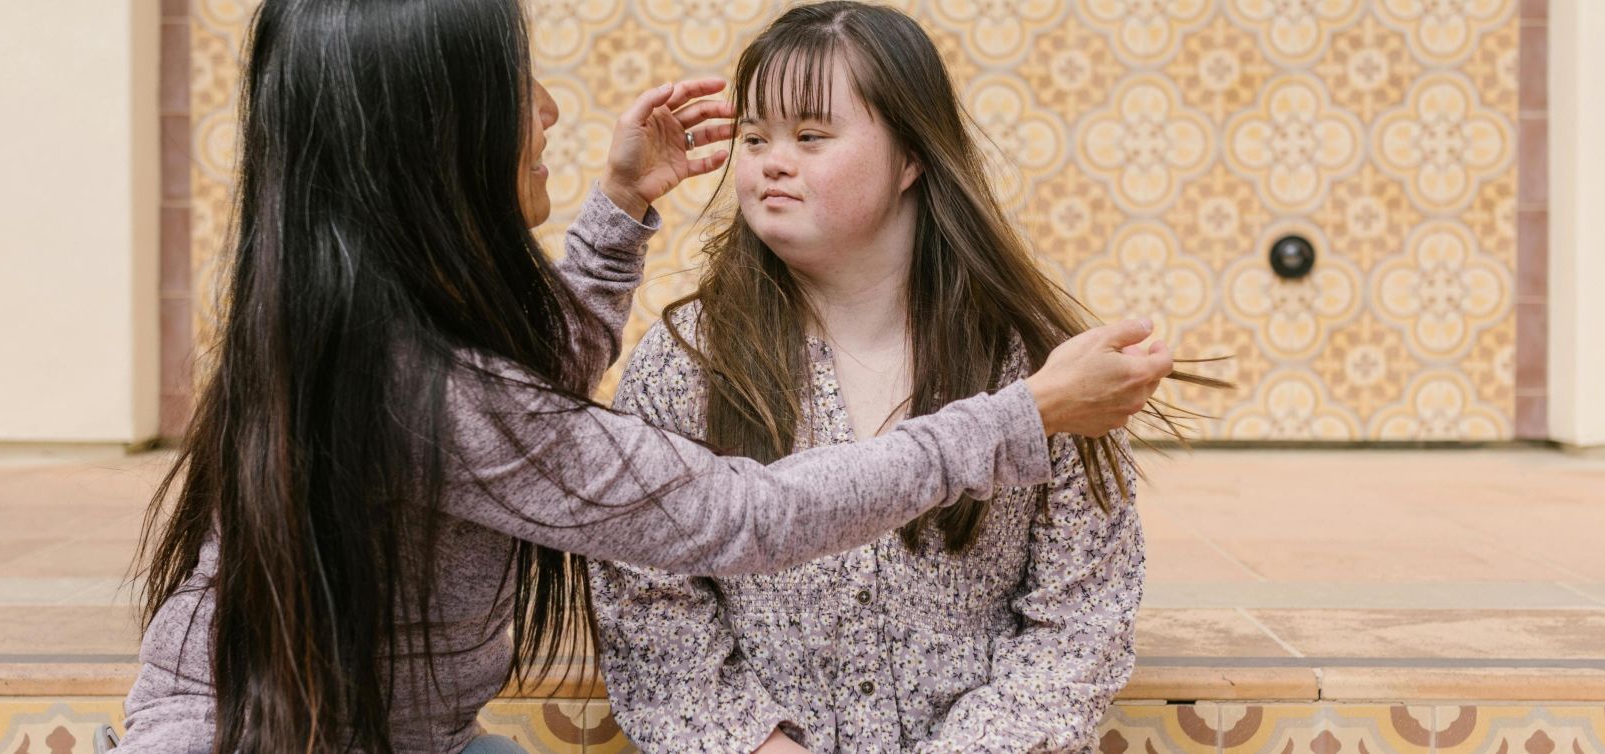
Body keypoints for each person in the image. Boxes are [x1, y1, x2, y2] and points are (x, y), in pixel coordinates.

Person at [115, 1, 1175, 752]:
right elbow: (731, 519)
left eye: (816, 134)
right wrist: (1021, 417)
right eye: (516, 88)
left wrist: (620, 208)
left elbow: (529, 409)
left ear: (915, 158)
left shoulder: (365, 325)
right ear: (437, 142)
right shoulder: (581, 374)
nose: (552, 112)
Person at [589, 3, 1219, 752]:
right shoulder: (685, 360)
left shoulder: (1036, 367)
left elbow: (1078, 623)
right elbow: (648, 602)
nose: (771, 161)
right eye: (755, 137)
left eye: (812, 135)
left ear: (912, 157)